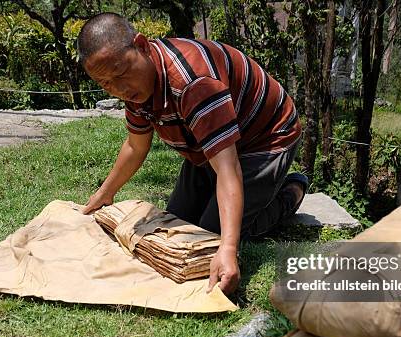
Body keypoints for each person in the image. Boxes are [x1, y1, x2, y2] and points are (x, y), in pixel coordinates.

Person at [77, 13, 308, 296]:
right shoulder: (136, 88)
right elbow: (135, 146)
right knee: (174, 226)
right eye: (105, 83)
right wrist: (105, 193)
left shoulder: (193, 82)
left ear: (141, 45)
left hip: (264, 137)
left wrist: (229, 248)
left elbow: (227, 168)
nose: (119, 88)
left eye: (122, 73)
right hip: (209, 142)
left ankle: (290, 192)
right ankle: (250, 199)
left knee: (211, 239)